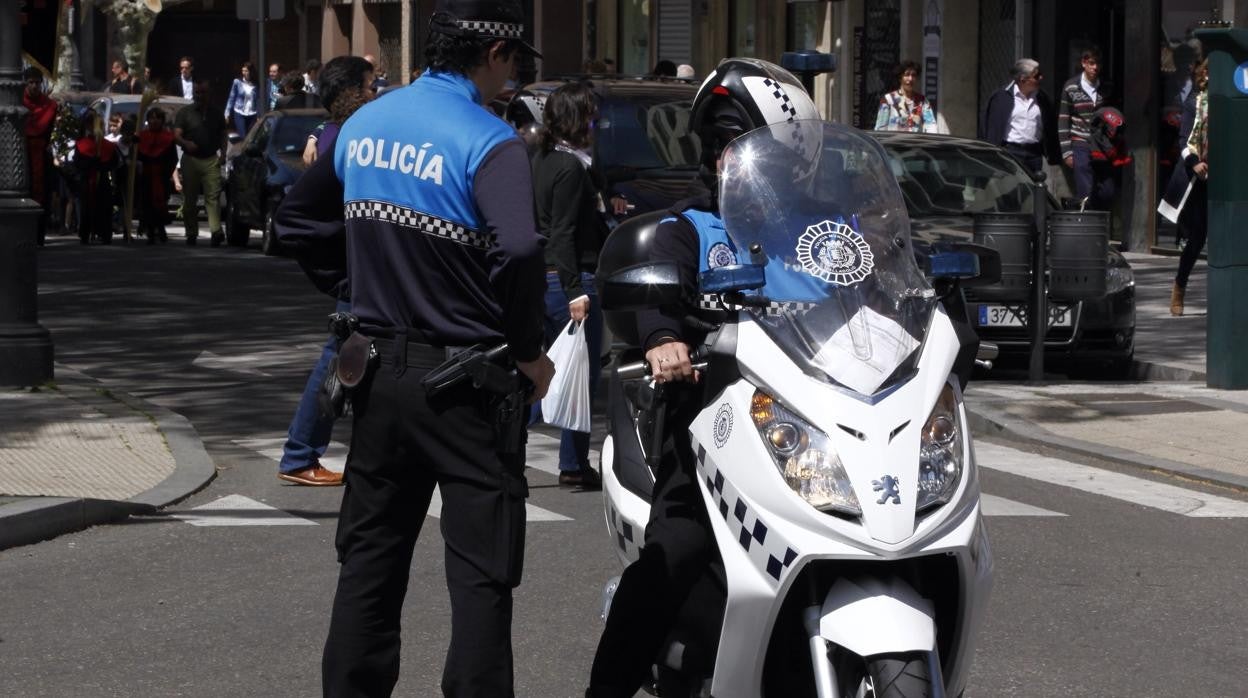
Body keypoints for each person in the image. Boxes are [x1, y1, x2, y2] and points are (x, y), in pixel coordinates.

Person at [274, 0, 554, 694]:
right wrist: (526, 348)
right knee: (482, 573)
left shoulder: (364, 123)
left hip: (376, 376)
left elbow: (298, 221)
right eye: (516, 60)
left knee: (369, 560)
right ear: (493, 54)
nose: (514, 75)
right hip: (468, 383)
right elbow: (519, 246)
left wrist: (354, 284)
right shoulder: (488, 140)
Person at [586, 57, 820, 698]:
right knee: (677, 554)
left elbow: (879, 295)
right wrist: (663, 338)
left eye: (753, 152)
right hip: (715, 434)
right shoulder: (689, 230)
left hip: (818, 434)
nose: (735, 164)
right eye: (726, 150)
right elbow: (656, 294)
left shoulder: (828, 234)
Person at [279, 55, 376, 487]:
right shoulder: (346, 138)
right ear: (353, 92)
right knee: (337, 360)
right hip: (362, 271)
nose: (377, 93)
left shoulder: (336, 134)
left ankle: (306, 452)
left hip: (362, 269)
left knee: (350, 358)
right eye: (371, 86)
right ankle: (300, 453)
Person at [531, 82, 610, 489]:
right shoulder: (569, 167)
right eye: (592, 115)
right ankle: (574, 465)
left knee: (542, 370)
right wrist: (575, 289)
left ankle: (506, 447)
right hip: (570, 278)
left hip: (541, 278)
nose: (597, 123)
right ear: (578, 119)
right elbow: (562, 231)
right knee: (579, 374)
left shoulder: (544, 158)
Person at [1163, 58, 1209, 316]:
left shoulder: (1229, 102)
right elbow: (1183, 140)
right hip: (1197, 178)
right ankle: (1179, 286)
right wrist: (1194, 163)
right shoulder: (1194, 102)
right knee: (1198, 238)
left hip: (1224, 178)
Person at [980, 57, 1059, 175]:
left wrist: (1053, 154)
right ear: (1023, 79)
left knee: (1033, 189)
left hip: (1034, 154)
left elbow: (1050, 127)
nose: (1041, 78)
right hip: (1011, 152)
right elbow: (991, 129)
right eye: (1037, 76)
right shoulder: (1001, 97)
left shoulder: (1042, 98)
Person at [173, 80, 229, 247]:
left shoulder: (217, 113)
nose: (199, 96)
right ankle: (191, 233)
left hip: (211, 159)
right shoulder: (185, 113)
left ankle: (216, 231)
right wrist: (185, 144)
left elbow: (223, 135)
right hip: (191, 159)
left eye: (203, 93)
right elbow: (176, 135)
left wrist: (223, 154)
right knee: (190, 199)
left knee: (213, 197)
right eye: (197, 93)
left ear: (209, 95)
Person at [1059, 46, 1115, 210]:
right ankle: (1085, 224)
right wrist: (1066, 151)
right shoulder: (1071, 87)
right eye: (1091, 63)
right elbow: (1063, 119)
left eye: (1097, 63)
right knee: (1084, 190)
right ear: (1084, 63)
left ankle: (1089, 211)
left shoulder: (1107, 87)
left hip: (1102, 144)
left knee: (1108, 190)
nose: (1095, 68)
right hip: (1080, 142)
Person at [73, 112, 120, 245]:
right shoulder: (82, 144)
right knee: (87, 206)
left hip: (101, 180)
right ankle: (87, 233)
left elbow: (113, 163)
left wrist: (99, 165)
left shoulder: (108, 146)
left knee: (103, 207)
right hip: (88, 180)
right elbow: (78, 163)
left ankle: (103, 233)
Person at [22, 67, 57, 244]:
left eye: (37, 82)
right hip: (21, 151)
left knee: (42, 192)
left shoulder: (49, 105)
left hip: (41, 152)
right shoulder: (18, 102)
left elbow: (49, 130)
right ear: (25, 83)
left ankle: (39, 234)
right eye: (31, 83)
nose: (34, 86)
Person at [136, 108, 177, 244]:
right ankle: (150, 231)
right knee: (147, 204)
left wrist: (165, 172)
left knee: (160, 203)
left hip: (161, 176)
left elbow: (173, 159)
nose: (154, 121)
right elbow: (137, 156)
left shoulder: (168, 138)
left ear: (162, 121)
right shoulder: (141, 136)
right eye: (151, 118)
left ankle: (160, 228)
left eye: (157, 118)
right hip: (146, 176)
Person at [874, 59, 936, 132]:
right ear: (900, 78)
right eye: (907, 75)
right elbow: (880, 129)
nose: (910, 79)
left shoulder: (923, 101)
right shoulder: (888, 99)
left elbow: (931, 126)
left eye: (913, 75)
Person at [224, 61, 260, 136]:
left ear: (251, 71)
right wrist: (227, 113)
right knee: (243, 136)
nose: (244, 73)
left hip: (252, 113)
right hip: (239, 112)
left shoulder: (256, 84)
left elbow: (258, 100)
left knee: (251, 137)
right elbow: (231, 98)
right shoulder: (237, 82)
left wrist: (259, 114)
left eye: (246, 71)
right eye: (243, 71)